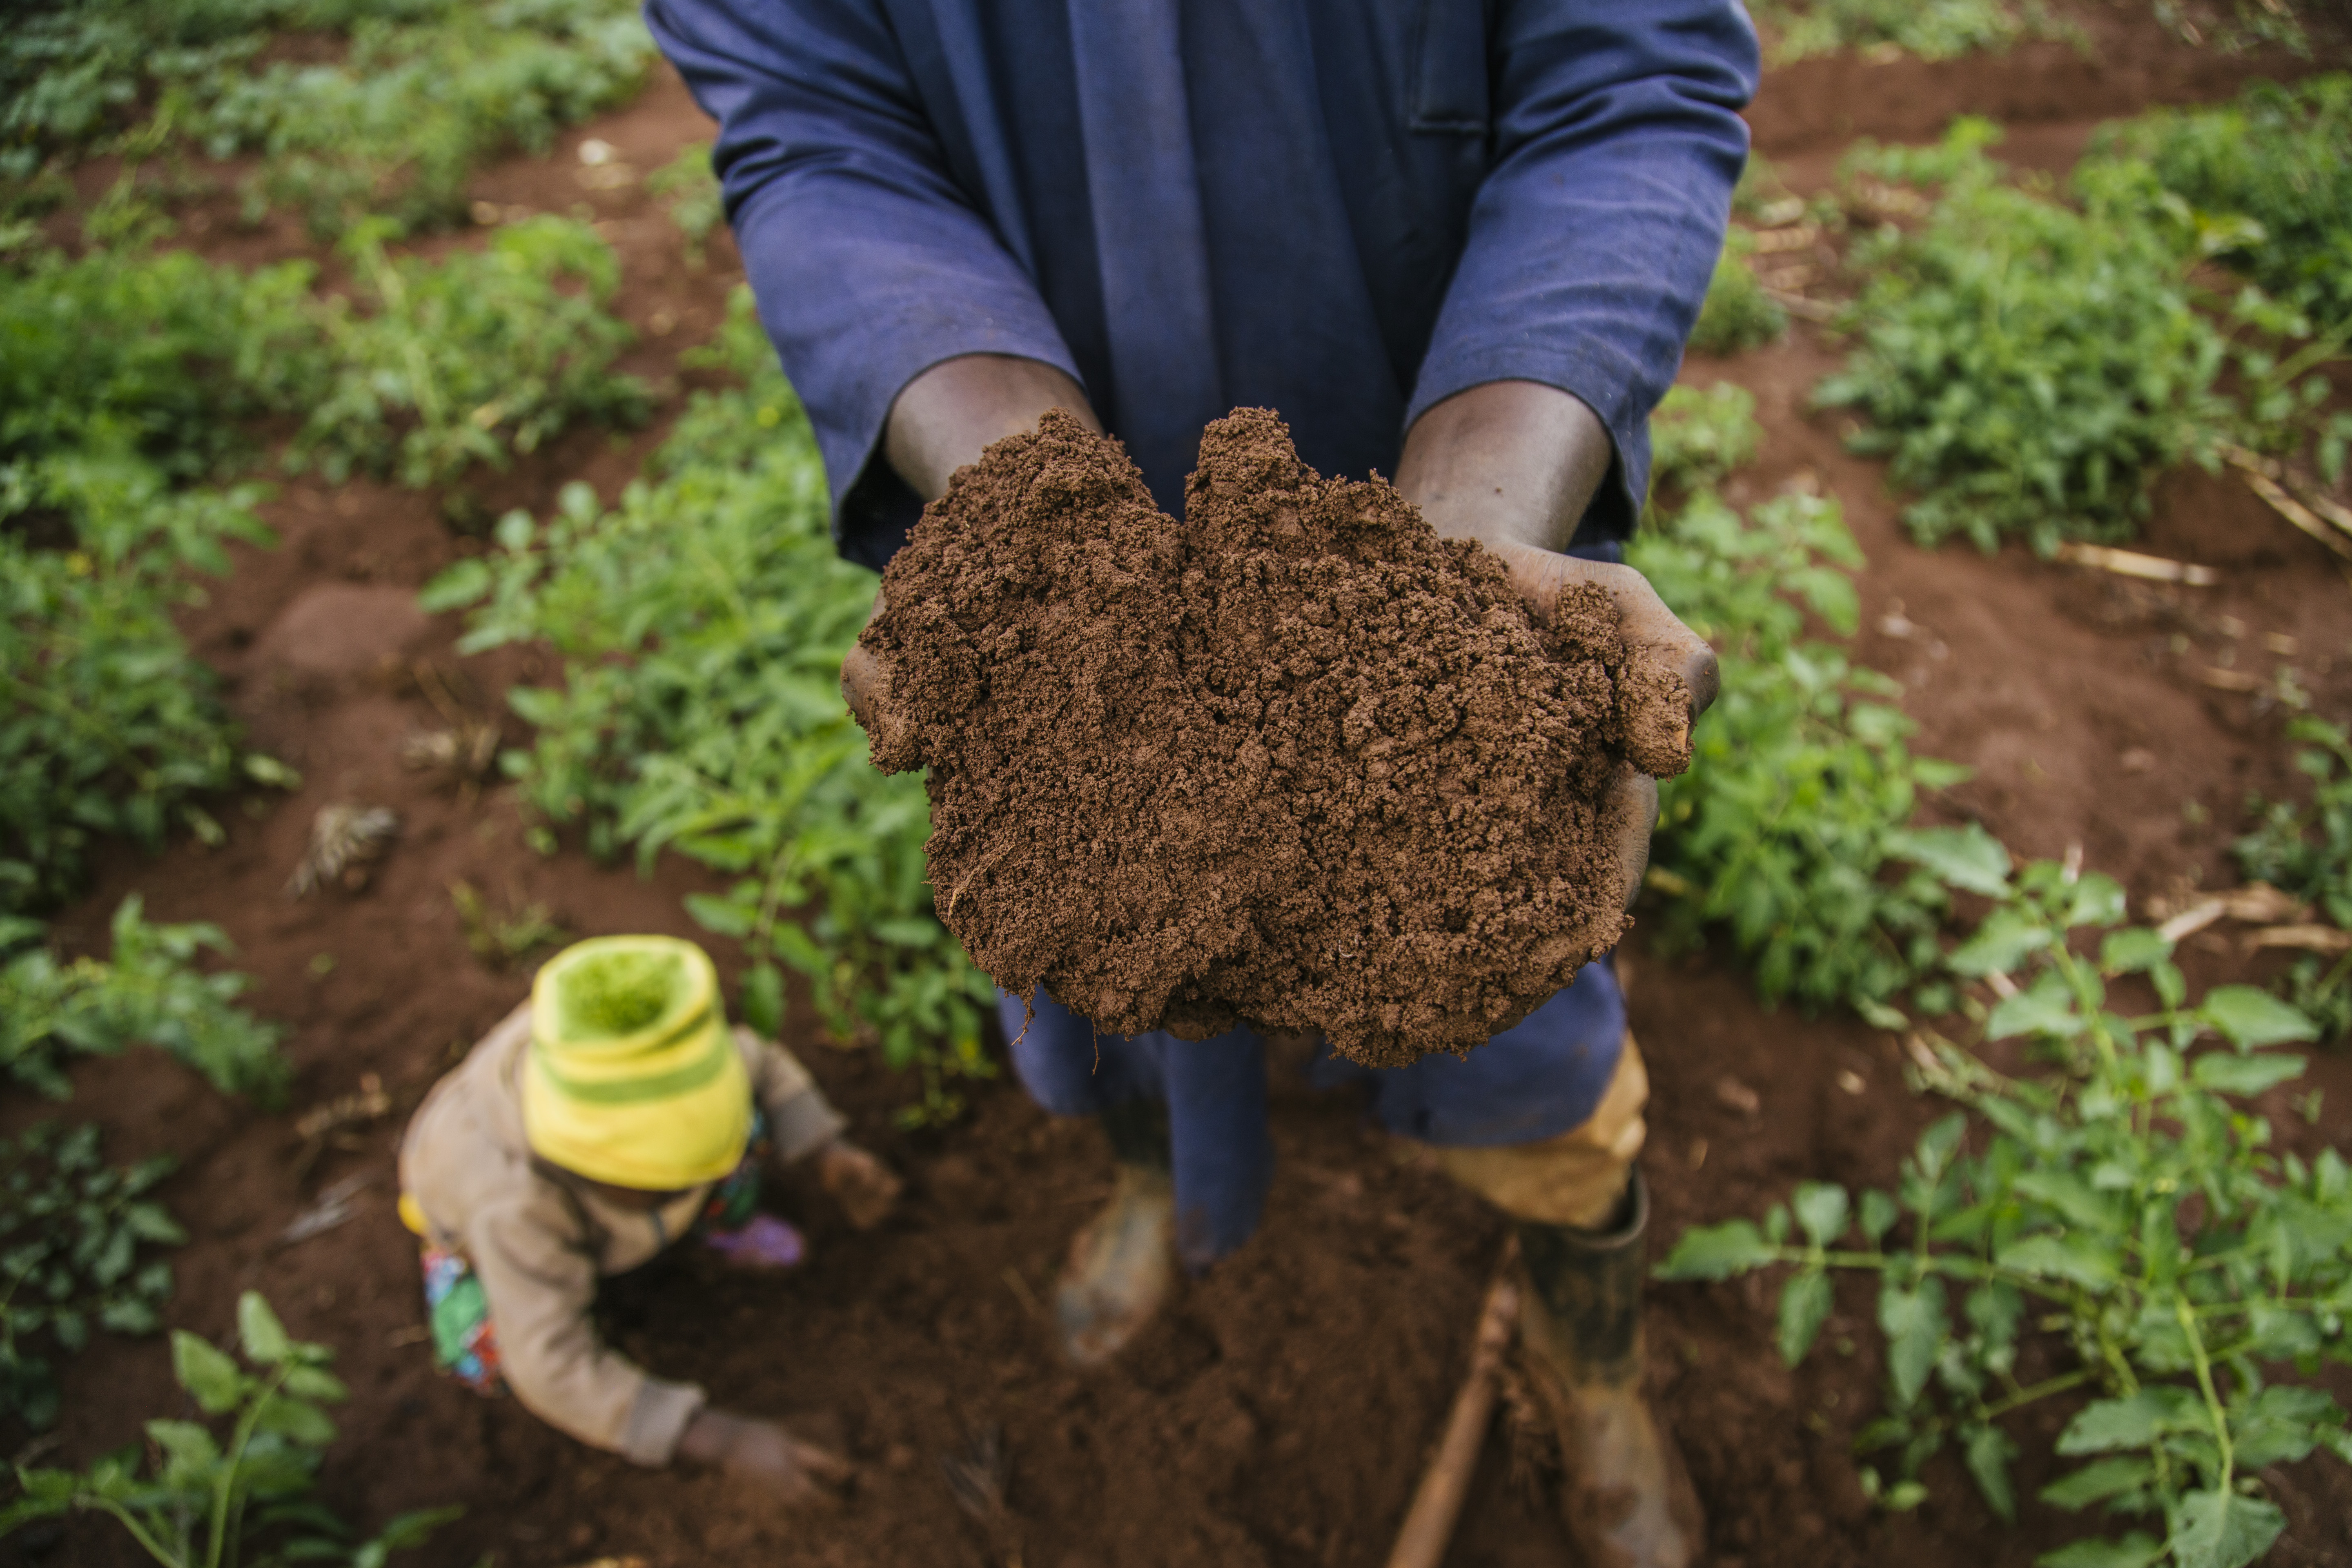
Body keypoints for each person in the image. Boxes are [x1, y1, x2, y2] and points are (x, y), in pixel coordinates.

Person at [645, 3, 1757, 1561]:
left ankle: (1596, 1367)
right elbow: (826, 140)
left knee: (1517, 1013)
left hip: (1457, 439)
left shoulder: (1449, 609)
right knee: (1105, 961)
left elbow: (1628, 79)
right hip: (1057, 591)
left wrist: (1459, 543)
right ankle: (1150, 1184)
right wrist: (1038, 532)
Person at [396, 935, 901, 1498]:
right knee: (491, 1350)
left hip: (603, 1220)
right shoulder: (513, 1205)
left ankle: (717, 1229)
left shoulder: (659, 1065)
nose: (689, 1185)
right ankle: (506, 1308)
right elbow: (552, 1369)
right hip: (492, 1249)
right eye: (662, 1183)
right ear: (586, 1163)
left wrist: (827, 1150)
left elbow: (758, 1064)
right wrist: (720, 1439)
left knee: (741, 1135)